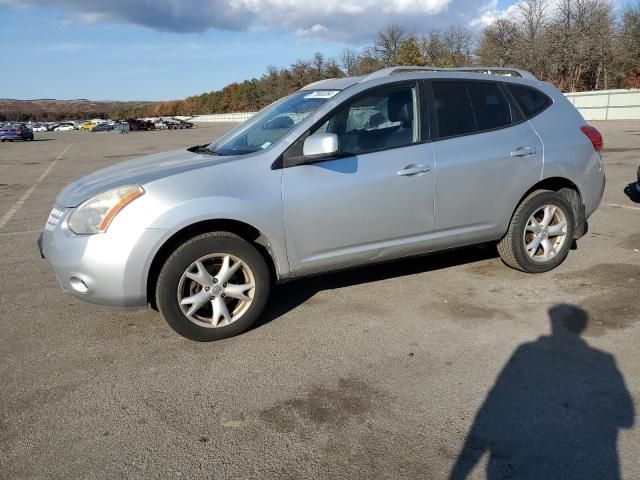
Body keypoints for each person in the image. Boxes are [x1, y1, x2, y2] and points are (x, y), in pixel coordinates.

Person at [449, 304, 634, 480]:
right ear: (582, 327)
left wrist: (459, 473)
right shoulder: (604, 362)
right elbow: (626, 419)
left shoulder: (526, 351)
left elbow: (493, 403)